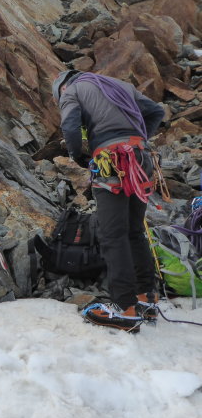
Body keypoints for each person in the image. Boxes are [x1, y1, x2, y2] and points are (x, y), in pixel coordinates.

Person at [53, 69, 165, 331]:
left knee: (112, 234)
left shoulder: (72, 91)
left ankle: (124, 307)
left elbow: (70, 126)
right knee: (135, 231)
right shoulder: (119, 85)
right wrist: (138, 139)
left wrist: (78, 156)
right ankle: (146, 298)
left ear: (62, 88)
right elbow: (156, 112)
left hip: (110, 161)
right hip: (140, 159)